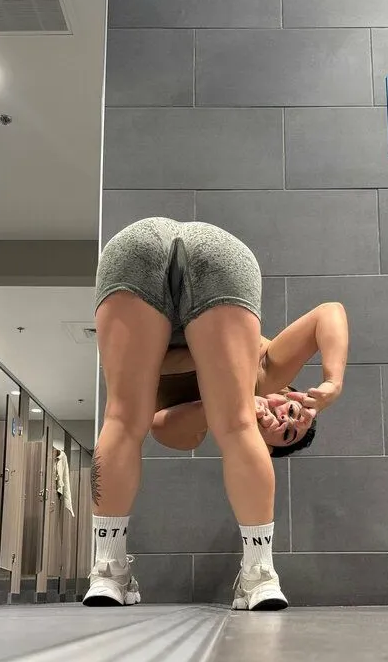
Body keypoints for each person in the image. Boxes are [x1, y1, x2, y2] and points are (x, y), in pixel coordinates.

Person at [82, 217, 348, 611]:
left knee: (124, 420)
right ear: (289, 392)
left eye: (284, 433)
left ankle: (109, 572)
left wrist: (232, 402)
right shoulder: (268, 369)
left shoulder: (197, 426)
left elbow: (161, 428)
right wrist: (332, 381)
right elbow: (329, 311)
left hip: (139, 254)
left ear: (264, 450)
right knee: (143, 420)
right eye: (294, 411)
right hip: (216, 254)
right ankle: (257, 576)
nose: (284, 419)